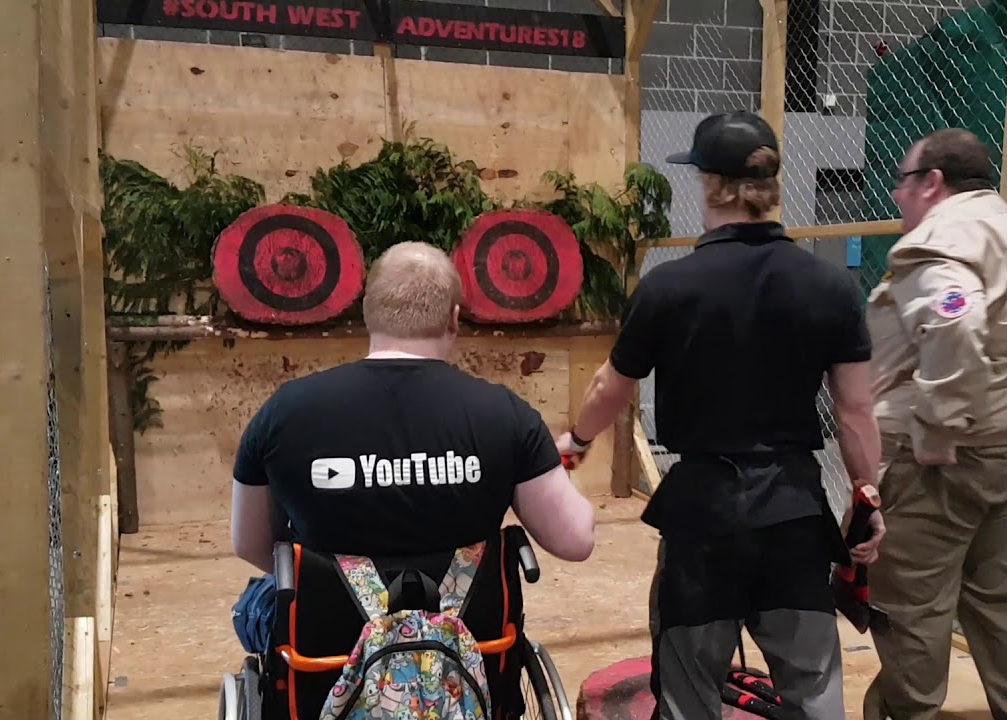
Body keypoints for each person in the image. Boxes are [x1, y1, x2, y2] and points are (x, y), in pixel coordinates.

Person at [558, 110, 885, 720]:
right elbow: (856, 409)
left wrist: (576, 440)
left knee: (689, 695)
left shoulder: (670, 287)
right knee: (813, 690)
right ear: (770, 188)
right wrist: (867, 497)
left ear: (709, 184)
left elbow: (611, 386)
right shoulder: (830, 287)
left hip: (704, 514)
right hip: (792, 509)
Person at [229, 242, 597, 653]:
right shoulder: (506, 415)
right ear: (454, 320)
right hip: (471, 662)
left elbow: (249, 542)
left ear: (368, 313)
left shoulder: (284, 411)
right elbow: (574, 540)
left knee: (253, 607)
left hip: (326, 661)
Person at [862, 128, 1007, 720]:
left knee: (911, 602)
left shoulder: (943, 238)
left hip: (949, 454)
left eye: (902, 183)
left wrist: (937, 427)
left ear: (932, 182)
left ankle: (908, 713)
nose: (897, 197)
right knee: (1000, 593)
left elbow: (953, 323)